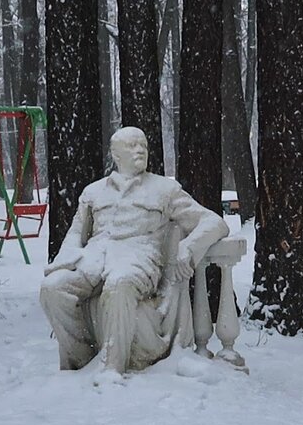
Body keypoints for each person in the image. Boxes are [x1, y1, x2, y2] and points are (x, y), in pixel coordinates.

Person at [39, 127, 229, 374]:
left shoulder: (165, 189)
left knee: (120, 283)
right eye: (132, 146)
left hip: (138, 259)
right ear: (115, 155)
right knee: (52, 289)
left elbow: (214, 222)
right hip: (93, 260)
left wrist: (189, 247)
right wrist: (66, 261)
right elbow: (76, 233)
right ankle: (82, 361)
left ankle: (112, 369)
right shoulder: (93, 192)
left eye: (143, 146)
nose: (140, 150)